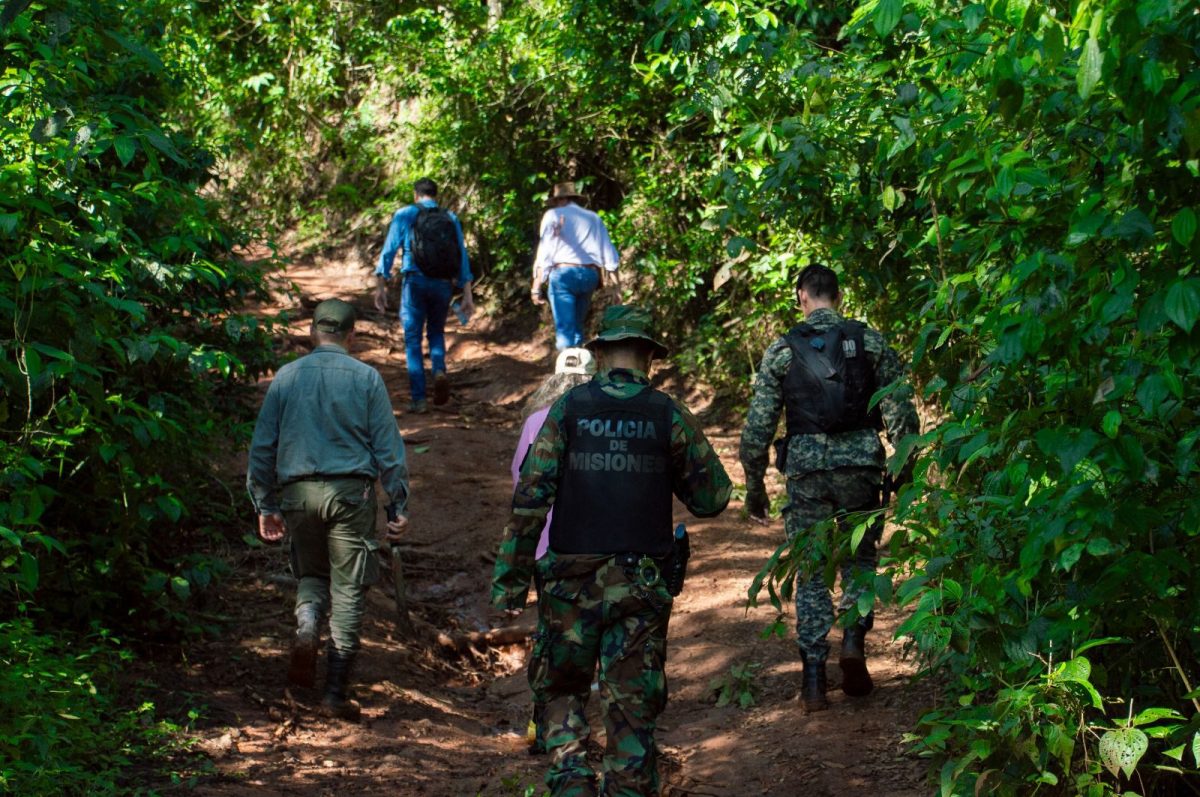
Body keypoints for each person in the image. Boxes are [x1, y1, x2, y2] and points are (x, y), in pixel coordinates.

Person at [492, 306, 732, 796]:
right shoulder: (668, 413)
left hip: (569, 583)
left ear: (598, 355)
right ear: (650, 358)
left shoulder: (568, 410)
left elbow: (530, 497)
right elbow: (714, 498)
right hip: (639, 585)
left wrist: (511, 580)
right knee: (631, 706)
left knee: (562, 690)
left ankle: (571, 781)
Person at [739, 264, 919, 712]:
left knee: (813, 569)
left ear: (801, 296)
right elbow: (900, 412)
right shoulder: (870, 340)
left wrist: (754, 482)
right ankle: (854, 638)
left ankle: (814, 678)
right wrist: (905, 467)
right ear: (838, 295)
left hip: (806, 472)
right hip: (861, 465)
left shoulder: (782, 350)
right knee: (860, 557)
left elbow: (758, 425)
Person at [246, 299, 409, 720]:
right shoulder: (367, 378)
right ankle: (336, 692)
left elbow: (262, 447)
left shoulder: (285, 377)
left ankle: (306, 625)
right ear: (351, 335)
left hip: (297, 493)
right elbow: (389, 450)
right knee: (349, 587)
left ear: (311, 331)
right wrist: (397, 505)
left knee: (312, 573)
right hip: (350, 494)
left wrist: (264, 504)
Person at [509, 347, 596, 756]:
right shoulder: (601, 420)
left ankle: (542, 722)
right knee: (591, 636)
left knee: (549, 634)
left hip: (547, 546)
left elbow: (519, 482)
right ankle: (581, 720)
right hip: (596, 544)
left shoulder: (534, 421)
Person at [374, 177, 475, 413]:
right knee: (436, 332)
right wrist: (467, 293)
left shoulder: (405, 214)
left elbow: (389, 251)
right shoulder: (450, 217)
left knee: (412, 340)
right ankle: (439, 369)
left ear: (415, 194)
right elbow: (461, 254)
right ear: (435, 194)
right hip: (442, 284)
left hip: (415, 283)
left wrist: (381, 284)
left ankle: (419, 399)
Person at [531, 182, 620, 351]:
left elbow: (545, 253)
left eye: (557, 200)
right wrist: (617, 288)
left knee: (565, 328)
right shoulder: (593, 217)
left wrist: (536, 285)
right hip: (589, 276)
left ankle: (566, 369)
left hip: (563, 275)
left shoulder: (552, 215)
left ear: (561, 198)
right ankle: (579, 365)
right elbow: (609, 254)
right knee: (578, 325)